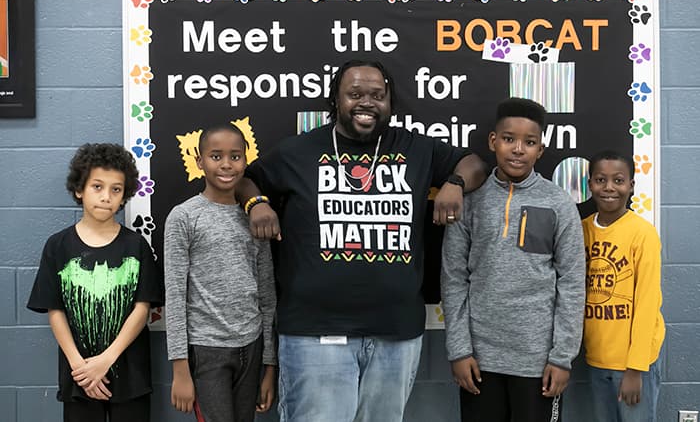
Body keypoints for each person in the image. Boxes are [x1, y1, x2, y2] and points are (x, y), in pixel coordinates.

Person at [235, 59, 487, 422]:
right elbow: (247, 180)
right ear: (336, 100)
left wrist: (455, 184)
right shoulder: (299, 151)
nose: (366, 102)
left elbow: (475, 164)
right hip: (314, 331)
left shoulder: (417, 149)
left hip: (396, 332)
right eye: (354, 94)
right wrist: (257, 203)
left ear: (390, 103)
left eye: (377, 95)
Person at [441, 97, 586, 422]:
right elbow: (453, 279)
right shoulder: (471, 201)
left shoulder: (558, 203)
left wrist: (562, 357)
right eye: (509, 139)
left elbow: (573, 284)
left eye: (529, 142)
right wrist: (459, 350)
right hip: (479, 361)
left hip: (538, 363)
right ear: (494, 141)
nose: (518, 149)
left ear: (540, 149)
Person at [26, 143, 164, 422]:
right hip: (79, 377)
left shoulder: (136, 246)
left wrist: (106, 360)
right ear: (80, 189)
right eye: (97, 187)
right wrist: (81, 367)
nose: (106, 197)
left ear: (124, 195)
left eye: (116, 189)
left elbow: (142, 308)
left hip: (130, 375)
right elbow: (55, 311)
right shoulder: (58, 246)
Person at [164, 124, 277, 422]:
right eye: (216, 156)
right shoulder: (184, 217)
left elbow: (267, 294)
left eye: (235, 156)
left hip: (251, 347)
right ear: (199, 161)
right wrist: (180, 369)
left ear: (246, 159)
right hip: (207, 350)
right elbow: (175, 296)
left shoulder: (256, 217)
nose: (226, 164)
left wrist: (269, 366)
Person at [582, 150, 665, 422]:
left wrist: (635, 368)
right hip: (597, 359)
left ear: (631, 185)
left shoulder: (642, 233)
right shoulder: (581, 230)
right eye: (600, 180)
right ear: (590, 183)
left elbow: (647, 303)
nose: (609, 188)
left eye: (618, 180)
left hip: (633, 364)